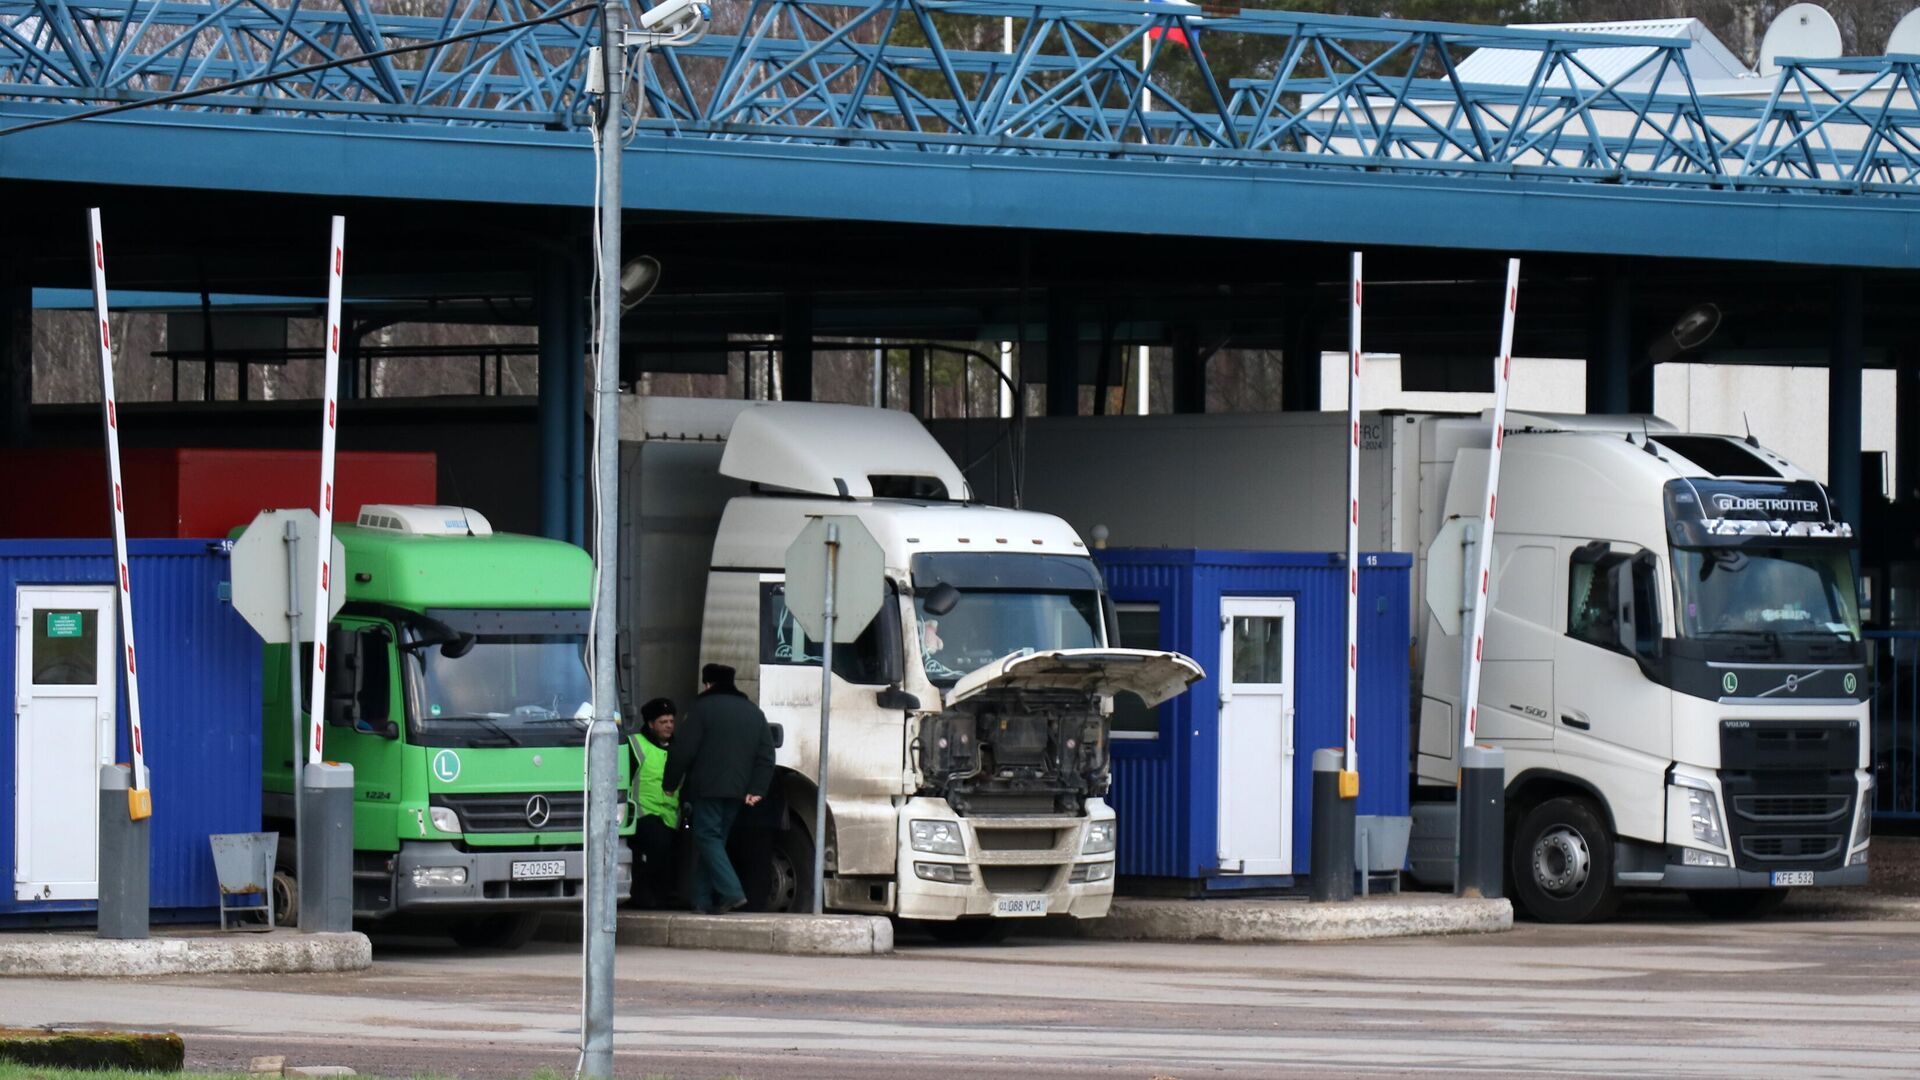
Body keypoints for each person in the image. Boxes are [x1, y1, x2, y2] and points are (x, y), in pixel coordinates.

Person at [662, 663, 775, 915]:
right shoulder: (754, 712)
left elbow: (682, 751)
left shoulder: (701, 709)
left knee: (706, 837)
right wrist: (757, 787)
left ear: (708, 684)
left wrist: (670, 783)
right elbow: (766, 755)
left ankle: (732, 892)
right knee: (714, 841)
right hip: (739, 790)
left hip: (708, 787)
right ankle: (701, 900)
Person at [627, 697, 681, 909]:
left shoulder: (679, 748)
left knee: (668, 856)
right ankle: (646, 897)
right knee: (652, 855)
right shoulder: (635, 744)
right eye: (663, 722)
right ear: (651, 724)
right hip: (643, 813)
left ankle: (663, 896)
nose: (668, 725)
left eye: (671, 721)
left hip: (670, 816)